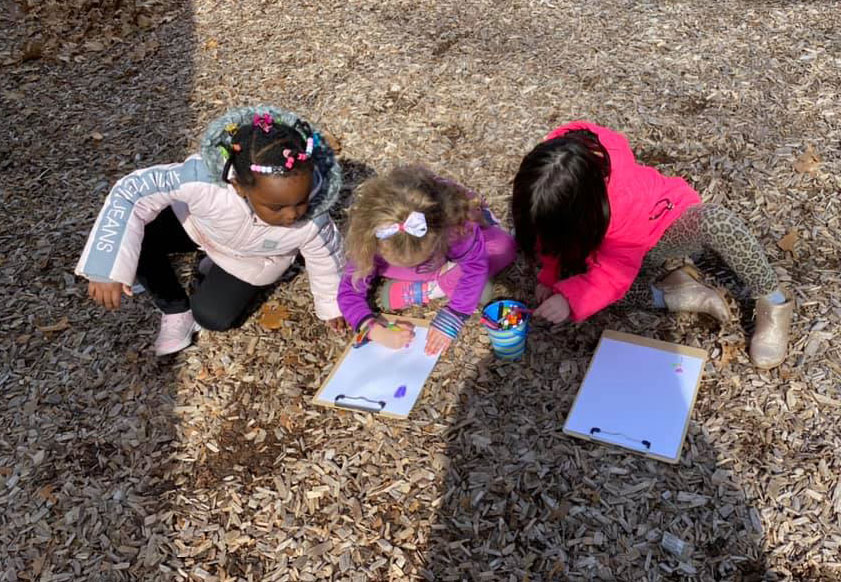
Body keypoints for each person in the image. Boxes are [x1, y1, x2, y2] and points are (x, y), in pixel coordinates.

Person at [512, 121, 793, 369]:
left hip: (661, 229)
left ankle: (774, 303)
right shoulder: (550, 168)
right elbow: (547, 233)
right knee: (587, 289)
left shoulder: (622, 202)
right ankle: (680, 294)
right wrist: (549, 276)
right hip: (606, 240)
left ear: (585, 208)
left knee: (716, 222)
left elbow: (614, 273)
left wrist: (570, 298)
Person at [76, 105, 345, 355]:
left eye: (301, 201)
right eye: (276, 207)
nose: (293, 215)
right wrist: (106, 263)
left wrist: (332, 306)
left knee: (212, 317)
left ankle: (212, 273)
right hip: (198, 228)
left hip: (250, 260)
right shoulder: (203, 179)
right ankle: (174, 309)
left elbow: (327, 259)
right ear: (238, 186)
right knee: (136, 235)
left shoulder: (314, 219)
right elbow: (133, 193)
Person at [338, 166, 516, 355]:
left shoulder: (453, 223)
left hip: (442, 250)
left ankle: (430, 289)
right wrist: (374, 331)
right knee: (479, 279)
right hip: (416, 265)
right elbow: (348, 293)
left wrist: (454, 314)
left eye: (421, 258)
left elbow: (475, 264)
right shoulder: (367, 241)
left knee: (504, 246)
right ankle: (441, 284)